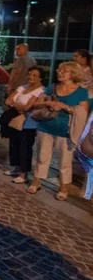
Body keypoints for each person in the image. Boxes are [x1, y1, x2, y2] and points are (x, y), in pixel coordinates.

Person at [29, 62, 88, 200]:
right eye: (59, 70)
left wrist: (64, 106)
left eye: (64, 71)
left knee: (64, 161)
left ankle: (63, 187)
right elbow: (36, 103)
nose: (60, 73)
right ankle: (36, 181)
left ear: (73, 74)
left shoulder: (81, 92)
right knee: (42, 157)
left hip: (65, 131)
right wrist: (49, 103)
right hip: (46, 127)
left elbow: (83, 112)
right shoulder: (53, 87)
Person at [4, 67, 45, 183]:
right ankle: (16, 168)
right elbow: (8, 101)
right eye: (30, 74)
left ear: (40, 78)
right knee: (14, 144)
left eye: (35, 75)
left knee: (25, 147)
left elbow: (28, 107)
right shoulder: (22, 87)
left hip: (29, 123)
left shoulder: (41, 91)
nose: (31, 77)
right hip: (16, 120)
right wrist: (18, 106)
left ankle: (23, 173)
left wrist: (16, 105)